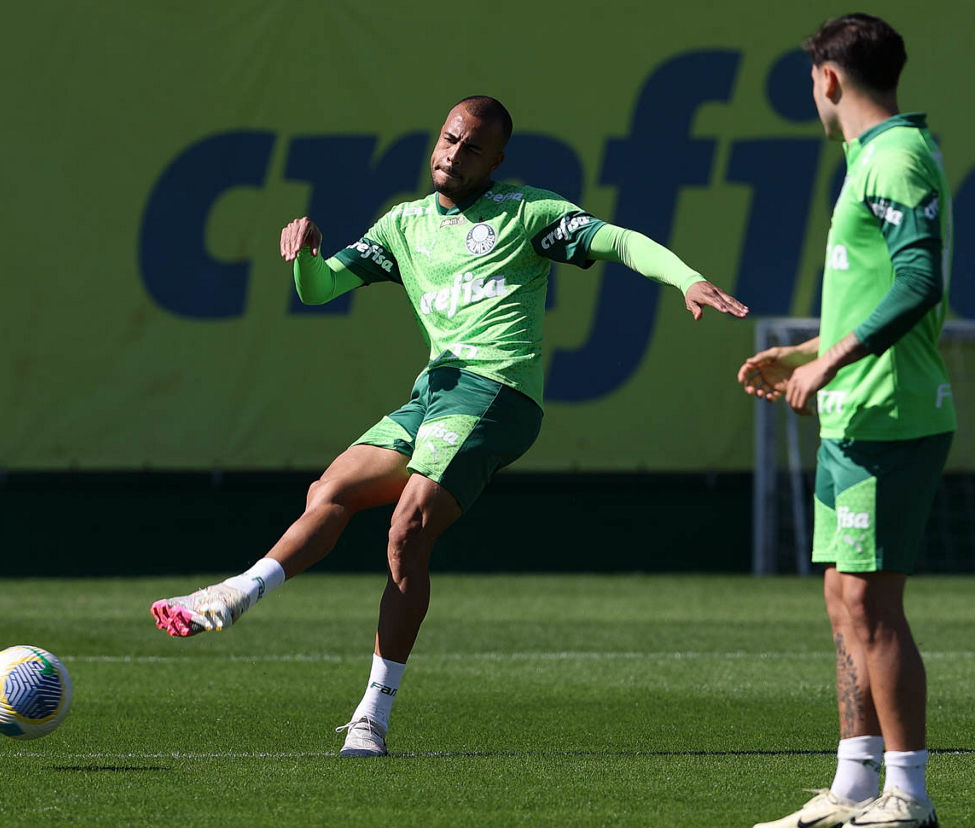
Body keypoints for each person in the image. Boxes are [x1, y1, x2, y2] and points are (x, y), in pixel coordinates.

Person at [149, 95, 749, 757]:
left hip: (498, 393)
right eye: (449, 139)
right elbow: (319, 290)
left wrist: (686, 279)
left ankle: (371, 717)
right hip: (435, 391)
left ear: (496, 161)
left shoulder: (527, 212)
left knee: (407, 529)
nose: (454, 154)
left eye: (472, 149)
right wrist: (306, 256)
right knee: (330, 490)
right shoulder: (403, 225)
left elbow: (619, 241)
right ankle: (237, 593)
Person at [738, 14, 955, 828]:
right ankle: (854, 781)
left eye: (812, 82)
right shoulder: (868, 158)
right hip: (852, 413)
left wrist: (827, 365)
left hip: (889, 414)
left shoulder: (896, 157)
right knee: (842, 599)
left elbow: (919, 280)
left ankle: (909, 792)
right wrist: (804, 352)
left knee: (870, 602)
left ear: (828, 79)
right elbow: (873, 291)